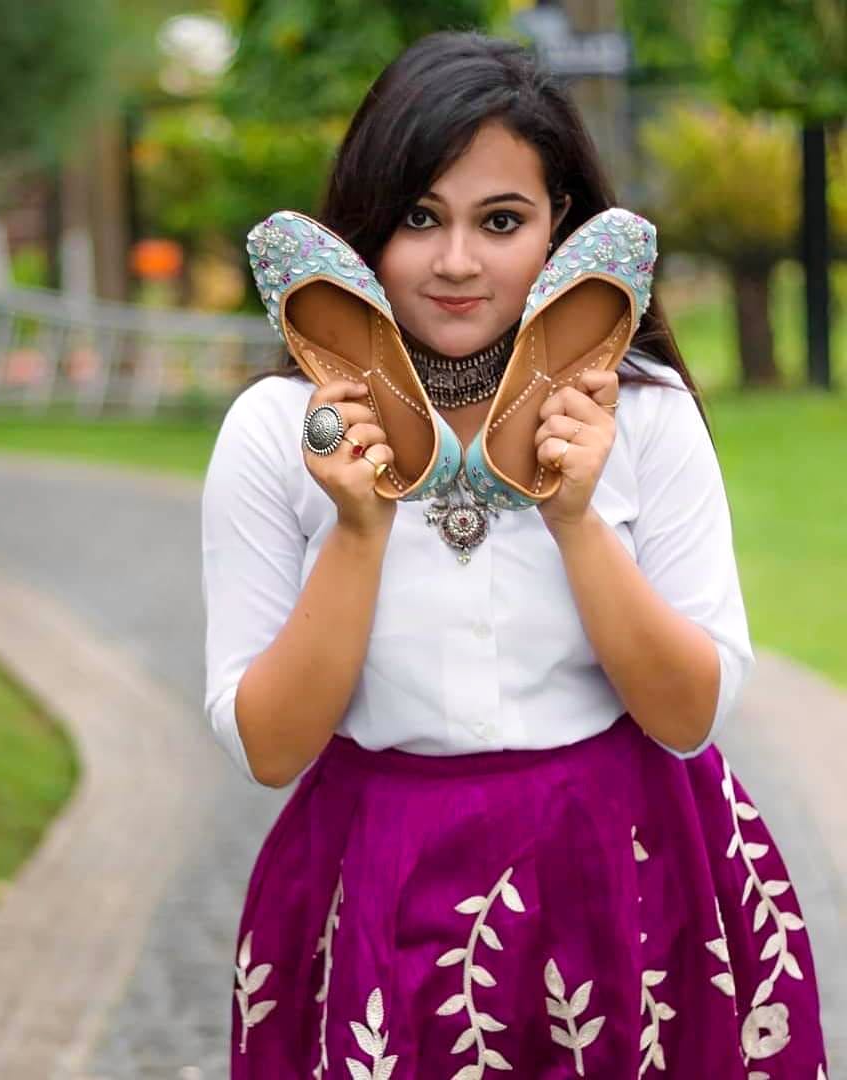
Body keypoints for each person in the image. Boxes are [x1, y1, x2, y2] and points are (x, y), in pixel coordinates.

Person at [201, 32, 828, 1078]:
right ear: (361, 232)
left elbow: (688, 716)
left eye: (501, 221)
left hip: (631, 867)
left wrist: (577, 515)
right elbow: (270, 749)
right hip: (379, 874)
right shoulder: (278, 430)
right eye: (418, 217)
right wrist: (360, 530)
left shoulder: (645, 417)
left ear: (561, 231)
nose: (456, 262)